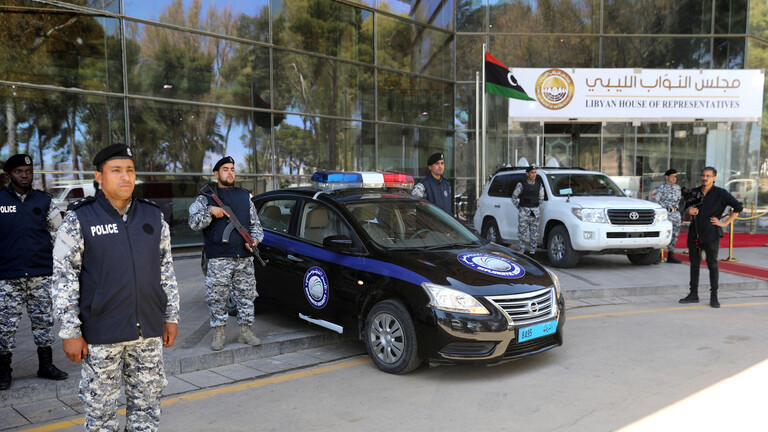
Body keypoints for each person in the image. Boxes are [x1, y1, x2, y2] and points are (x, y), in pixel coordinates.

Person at [52, 144, 180, 431]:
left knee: (146, 408)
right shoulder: (79, 218)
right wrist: (70, 332)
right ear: (99, 177)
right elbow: (63, 278)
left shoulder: (153, 216)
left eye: (130, 170)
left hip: (148, 332)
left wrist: (171, 316)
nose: (125, 176)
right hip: (101, 334)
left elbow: (166, 269)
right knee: (100, 414)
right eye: (116, 170)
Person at [0, 154, 68, 390]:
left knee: (44, 322)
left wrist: (62, 267)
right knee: (5, 326)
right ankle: (4, 371)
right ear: (9, 174)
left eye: (28, 172)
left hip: (41, 274)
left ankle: (46, 365)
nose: (25, 176)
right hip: (8, 276)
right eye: (19, 171)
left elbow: (60, 237)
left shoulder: (45, 201)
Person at [189, 156, 264, 351]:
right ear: (216, 174)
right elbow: (193, 223)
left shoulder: (244, 196)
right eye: (225, 169)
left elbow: (256, 226)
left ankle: (245, 332)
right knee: (216, 297)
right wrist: (210, 211)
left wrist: (254, 241)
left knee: (247, 295)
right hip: (219, 258)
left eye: (232, 169)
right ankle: (219, 333)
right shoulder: (205, 198)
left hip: (244, 258)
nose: (230, 173)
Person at [679, 167, 743, 308]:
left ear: (714, 178)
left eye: (708, 176)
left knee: (712, 264)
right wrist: (689, 210)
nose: (705, 178)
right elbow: (685, 208)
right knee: (694, 264)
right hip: (694, 233)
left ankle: (714, 297)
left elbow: (738, 207)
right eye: (703, 175)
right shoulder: (693, 192)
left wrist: (724, 223)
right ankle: (693, 294)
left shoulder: (721, 193)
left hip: (711, 234)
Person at [651, 169, 683, 264]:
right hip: (665, 214)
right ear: (667, 177)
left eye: (676, 176)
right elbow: (655, 202)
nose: (674, 178)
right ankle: (657, 256)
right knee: (663, 234)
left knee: (674, 235)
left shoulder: (677, 188)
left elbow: (678, 201)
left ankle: (671, 255)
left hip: (675, 213)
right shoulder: (661, 188)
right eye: (672, 176)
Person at [511, 165, 544, 255]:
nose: (534, 174)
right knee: (522, 234)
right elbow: (514, 197)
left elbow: (541, 198)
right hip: (524, 213)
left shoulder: (539, 185)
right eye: (532, 172)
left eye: (535, 172)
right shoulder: (521, 184)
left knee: (534, 235)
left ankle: (532, 252)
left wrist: (536, 207)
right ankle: (521, 252)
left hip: (534, 213)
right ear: (527, 174)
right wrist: (521, 207)